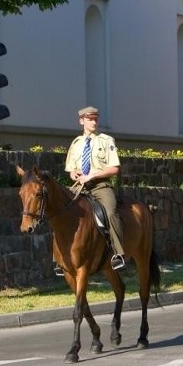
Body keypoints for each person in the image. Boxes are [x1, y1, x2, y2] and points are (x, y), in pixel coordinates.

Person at [63, 106, 126, 271]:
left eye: (96, 119)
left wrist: (92, 175)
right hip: (80, 186)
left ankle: (118, 254)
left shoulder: (106, 141)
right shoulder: (76, 143)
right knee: (62, 211)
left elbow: (114, 169)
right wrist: (74, 173)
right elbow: (71, 170)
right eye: (90, 119)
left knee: (111, 212)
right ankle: (59, 258)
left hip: (100, 186)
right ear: (81, 121)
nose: (94, 122)